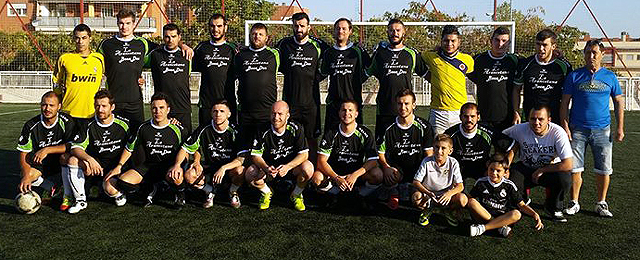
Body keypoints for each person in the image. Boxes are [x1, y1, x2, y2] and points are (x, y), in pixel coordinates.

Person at [560, 39, 625, 218]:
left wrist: (620, 127)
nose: (591, 56)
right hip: (577, 130)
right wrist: (565, 125)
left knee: (604, 169)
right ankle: (574, 202)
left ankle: (601, 203)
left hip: (602, 130)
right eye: (588, 52)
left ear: (602, 54)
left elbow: (619, 101)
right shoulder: (574, 76)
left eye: (594, 52)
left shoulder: (610, 76)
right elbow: (565, 102)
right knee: (575, 168)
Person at [98, 8, 192, 131]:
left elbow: (168, 44)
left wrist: (182, 45)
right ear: (117, 23)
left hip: (135, 101)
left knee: (137, 136)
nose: (124, 27)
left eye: (128, 23)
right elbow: (97, 63)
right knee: (114, 135)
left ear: (134, 24)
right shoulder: (106, 44)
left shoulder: (143, 44)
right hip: (114, 100)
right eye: (121, 23)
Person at [103, 93, 188, 208]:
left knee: (176, 175)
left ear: (168, 110)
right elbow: (129, 148)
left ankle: (179, 194)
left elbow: (188, 149)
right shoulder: (143, 127)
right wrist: (119, 166)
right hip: (148, 166)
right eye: (154, 108)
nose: (157, 111)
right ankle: (150, 188)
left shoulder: (178, 128)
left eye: (161, 108)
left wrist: (180, 166)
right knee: (123, 181)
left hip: (169, 167)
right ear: (150, 109)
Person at [170, 99, 247, 208]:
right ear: (211, 113)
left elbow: (241, 159)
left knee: (241, 170)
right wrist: (177, 165)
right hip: (210, 167)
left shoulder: (236, 130)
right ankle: (210, 191)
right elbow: (185, 148)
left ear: (229, 114)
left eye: (222, 111)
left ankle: (232, 192)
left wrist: (224, 168)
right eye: (215, 111)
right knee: (189, 174)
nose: (218, 114)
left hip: (229, 169)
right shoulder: (203, 129)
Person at [503, 105, 573, 222]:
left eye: (541, 119)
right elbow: (501, 137)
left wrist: (542, 170)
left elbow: (568, 164)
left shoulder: (558, 132)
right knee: (511, 176)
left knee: (564, 178)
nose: (536, 123)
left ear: (549, 120)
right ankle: (522, 201)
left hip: (548, 170)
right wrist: (506, 160)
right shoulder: (520, 129)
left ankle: (553, 206)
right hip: (526, 167)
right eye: (532, 119)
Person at [65, 90, 130, 213]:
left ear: (112, 107)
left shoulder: (124, 124)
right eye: (97, 106)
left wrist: (120, 166)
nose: (100, 109)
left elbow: (132, 148)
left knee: (110, 190)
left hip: (116, 166)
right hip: (96, 166)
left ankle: (114, 190)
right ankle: (80, 201)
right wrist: (89, 159)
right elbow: (75, 148)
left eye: (104, 106)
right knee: (72, 160)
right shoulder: (88, 124)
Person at [245, 101, 314, 211]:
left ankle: (296, 194)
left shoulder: (296, 128)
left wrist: (287, 167)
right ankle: (267, 192)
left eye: (280, 114)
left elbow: (304, 154)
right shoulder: (263, 129)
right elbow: (255, 155)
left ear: (288, 115)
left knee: (308, 168)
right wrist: (266, 168)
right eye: (273, 113)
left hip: (290, 168)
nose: (276, 117)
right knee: (250, 174)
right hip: (270, 169)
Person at [277, 12, 329, 158]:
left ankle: (312, 169)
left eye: (302, 26)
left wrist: (317, 77)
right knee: (289, 137)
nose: (299, 29)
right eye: (295, 26)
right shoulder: (284, 44)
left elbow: (332, 59)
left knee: (311, 138)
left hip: (311, 102)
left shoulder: (318, 45)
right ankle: (289, 172)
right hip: (290, 101)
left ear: (308, 27)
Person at [312, 100, 382, 207]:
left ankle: (359, 194)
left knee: (377, 174)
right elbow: (321, 161)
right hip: (335, 176)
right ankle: (335, 193)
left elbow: (373, 160)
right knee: (317, 177)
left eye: (350, 110)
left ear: (356, 114)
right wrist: (336, 178)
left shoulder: (365, 133)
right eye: (343, 110)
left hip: (356, 177)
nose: (346, 113)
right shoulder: (331, 133)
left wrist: (354, 175)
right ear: (339, 113)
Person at [367, 19, 428, 142]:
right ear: (387, 32)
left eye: (398, 30)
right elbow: (365, 74)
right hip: (385, 107)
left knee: (405, 144)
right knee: (382, 146)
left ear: (404, 32)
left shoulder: (412, 54)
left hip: (406, 108)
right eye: (391, 30)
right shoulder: (380, 54)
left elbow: (427, 74)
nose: (395, 33)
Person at [378, 89, 434, 210]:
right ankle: (393, 190)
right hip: (395, 170)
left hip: (417, 172)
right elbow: (380, 154)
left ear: (414, 104)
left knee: (418, 202)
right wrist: (386, 167)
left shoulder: (424, 127)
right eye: (399, 103)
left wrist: (423, 177)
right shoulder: (387, 127)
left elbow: (429, 155)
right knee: (388, 175)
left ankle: (409, 189)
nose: (403, 107)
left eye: (407, 103)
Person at [17, 92, 75, 204]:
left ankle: (67, 192)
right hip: (41, 163)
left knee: (67, 157)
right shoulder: (31, 125)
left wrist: (47, 149)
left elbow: (72, 146)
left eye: (51, 105)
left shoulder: (67, 121)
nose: (47, 108)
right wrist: (25, 176)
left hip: (61, 161)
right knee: (26, 175)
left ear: (59, 106)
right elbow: (23, 152)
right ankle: (51, 186)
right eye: (44, 105)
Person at [468, 153, 543, 237]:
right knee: (471, 201)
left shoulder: (509, 185)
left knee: (516, 214)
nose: (494, 173)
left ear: (505, 172)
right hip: (485, 215)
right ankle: (499, 227)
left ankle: (483, 228)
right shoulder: (481, 182)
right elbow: (470, 199)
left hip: (503, 216)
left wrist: (534, 214)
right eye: (491, 169)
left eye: (498, 171)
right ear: (487, 168)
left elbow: (522, 205)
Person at [234, 23, 280, 153]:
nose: (257, 37)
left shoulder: (274, 54)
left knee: (266, 149)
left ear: (266, 37)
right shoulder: (240, 56)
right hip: (246, 111)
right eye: (254, 34)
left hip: (267, 111)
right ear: (250, 36)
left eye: (260, 34)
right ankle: (247, 173)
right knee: (245, 149)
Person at [423, 25, 475, 134]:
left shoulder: (468, 60)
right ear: (441, 41)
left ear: (459, 42)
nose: (449, 44)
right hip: (438, 112)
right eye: (446, 40)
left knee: (459, 148)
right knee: (438, 147)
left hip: (460, 112)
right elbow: (418, 65)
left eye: (453, 41)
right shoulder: (430, 56)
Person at [320, 17, 371, 131]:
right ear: (334, 31)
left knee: (356, 139)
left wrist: (360, 79)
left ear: (350, 31)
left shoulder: (358, 51)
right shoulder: (329, 53)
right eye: (338, 28)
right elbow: (323, 73)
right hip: (334, 104)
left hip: (354, 103)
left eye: (344, 28)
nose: (340, 31)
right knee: (331, 140)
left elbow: (371, 68)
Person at [513, 29, 571, 125]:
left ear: (553, 46)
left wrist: (565, 121)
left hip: (554, 119)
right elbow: (516, 89)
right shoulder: (525, 64)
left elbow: (568, 95)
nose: (541, 48)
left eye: (544, 45)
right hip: (531, 119)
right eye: (538, 44)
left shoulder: (563, 66)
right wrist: (516, 112)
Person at [444, 103, 514, 182]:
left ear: (478, 117)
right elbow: (439, 151)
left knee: (497, 176)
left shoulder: (488, 131)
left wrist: (506, 167)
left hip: (483, 170)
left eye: (472, 116)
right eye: (466, 116)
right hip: (458, 170)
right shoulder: (451, 133)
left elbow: (513, 146)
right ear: (460, 117)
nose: (469, 120)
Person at [52, 23, 104, 127]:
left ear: (90, 38)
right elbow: (56, 82)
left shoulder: (99, 59)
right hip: (68, 112)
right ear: (73, 39)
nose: (80, 42)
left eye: (84, 38)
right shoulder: (64, 58)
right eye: (77, 38)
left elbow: (111, 76)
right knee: (68, 143)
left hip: (92, 113)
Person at [467, 26, 518, 132]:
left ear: (509, 43)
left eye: (504, 41)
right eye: (497, 40)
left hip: (507, 117)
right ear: (491, 41)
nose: (500, 44)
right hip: (484, 116)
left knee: (506, 148)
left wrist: (556, 55)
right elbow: (458, 62)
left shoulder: (515, 61)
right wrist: (440, 51)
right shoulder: (478, 60)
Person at [146, 23, 193, 133]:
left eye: (173, 36)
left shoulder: (187, 55)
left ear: (179, 37)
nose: (170, 40)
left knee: (186, 141)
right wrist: (138, 77)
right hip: (161, 108)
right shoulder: (155, 55)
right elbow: (135, 65)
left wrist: (183, 45)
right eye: (167, 37)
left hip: (182, 107)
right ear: (163, 37)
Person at [412, 134, 467, 227]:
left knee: (463, 200)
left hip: (445, 196)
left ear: (450, 151)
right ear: (433, 148)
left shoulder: (453, 162)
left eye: (443, 148)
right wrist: (428, 193)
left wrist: (449, 193)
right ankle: (427, 210)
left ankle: (447, 210)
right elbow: (416, 182)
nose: (439, 151)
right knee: (416, 197)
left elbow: (460, 185)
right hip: (429, 194)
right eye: (437, 147)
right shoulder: (427, 161)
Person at [193, 14, 238, 126]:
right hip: (207, 103)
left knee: (229, 137)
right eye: (212, 26)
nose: (215, 29)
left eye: (219, 26)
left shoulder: (233, 49)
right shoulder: (201, 48)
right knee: (206, 136)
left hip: (227, 102)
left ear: (225, 27)